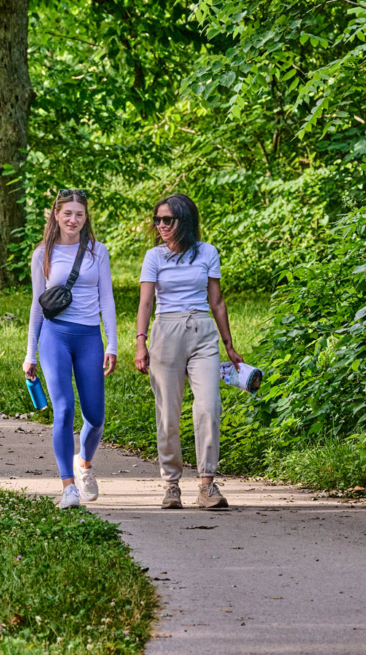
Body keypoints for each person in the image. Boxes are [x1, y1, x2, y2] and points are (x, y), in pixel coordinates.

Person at [133, 193, 243, 510]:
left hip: (202, 332)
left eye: (167, 219)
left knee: (209, 406)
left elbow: (217, 301)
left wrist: (229, 345)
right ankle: (171, 485)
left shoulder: (208, 252)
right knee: (168, 415)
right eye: (157, 220)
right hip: (165, 333)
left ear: (185, 220)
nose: (161, 225)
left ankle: (207, 484)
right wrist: (140, 343)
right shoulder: (154, 257)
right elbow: (145, 303)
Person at [23, 189, 119, 509]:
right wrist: (30, 353)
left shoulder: (97, 252)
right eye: (67, 213)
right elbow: (37, 307)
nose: (73, 220)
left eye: (79, 214)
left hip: (90, 337)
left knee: (95, 416)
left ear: (86, 217)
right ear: (56, 215)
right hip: (55, 337)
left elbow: (107, 300)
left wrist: (112, 344)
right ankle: (68, 487)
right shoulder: (43, 254)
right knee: (63, 409)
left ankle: (84, 464)